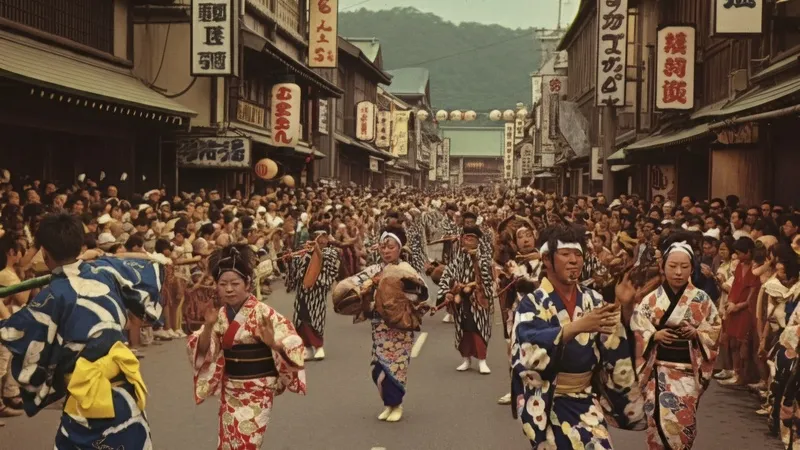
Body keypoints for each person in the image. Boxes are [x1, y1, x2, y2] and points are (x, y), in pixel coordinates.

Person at [0, 213, 163, 449]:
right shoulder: (106, 270)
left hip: (86, 401)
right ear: (81, 246)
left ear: (44, 254)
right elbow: (152, 265)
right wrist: (97, 256)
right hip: (126, 395)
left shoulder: (50, 298)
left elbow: (14, 334)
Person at [510, 224, 645, 448]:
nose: (574, 260)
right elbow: (528, 351)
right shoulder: (532, 303)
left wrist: (625, 308)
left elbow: (614, 343)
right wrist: (576, 327)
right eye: (565, 254)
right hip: (548, 399)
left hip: (585, 399)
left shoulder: (593, 299)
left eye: (578, 254)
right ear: (546, 259)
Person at [187, 244, 306, 450]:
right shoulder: (219, 316)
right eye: (223, 284)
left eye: (235, 283)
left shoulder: (264, 313)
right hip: (231, 388)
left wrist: (274, 344)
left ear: (248, 283)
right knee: (227, 444)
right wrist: (207, 327)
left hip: (258, 389)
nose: (229, 289)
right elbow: (201, 351)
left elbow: (293, 344)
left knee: (247, 444)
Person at [630, 235, 721, 449]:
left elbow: (714, 329)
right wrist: (653, 336)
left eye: (683, 267)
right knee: (656, 424)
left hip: (687, 372)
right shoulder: (651, 299)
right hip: (657, 370)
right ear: (663, 267)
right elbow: (636, 327)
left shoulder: (701, 299)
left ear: (692, 269)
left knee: (683, 425)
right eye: (672, 266)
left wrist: (697, 334)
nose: (678, 272)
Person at [339, 227, 429, 422]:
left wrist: (393, 290)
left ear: (399, 248)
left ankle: (396, 405)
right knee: (378, 368)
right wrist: (362, 293)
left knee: (395, 367)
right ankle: (388, 404)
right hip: (379, 326)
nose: (386, 251)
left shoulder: (406, 269)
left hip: (399, 327)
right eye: (383, 247)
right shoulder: (373, 270)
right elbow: (352, 287)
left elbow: (419, 294)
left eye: (391, 247)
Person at [437, 225, 496, 374]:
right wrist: (447, 291)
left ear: (478, 241)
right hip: (462, 300)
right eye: (465, 237)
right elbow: (447, 275)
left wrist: (477, 285)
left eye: (472, 238)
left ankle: (482, 360)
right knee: (464, 329)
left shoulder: (484, 259)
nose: (468, 240)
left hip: (477, 299)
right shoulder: (457, 259)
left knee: (478, 329)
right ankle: (466, 359)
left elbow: (488, 280)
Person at [287, 222, 340, 361]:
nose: (321, 239)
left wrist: (316, 252)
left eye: (323, 236)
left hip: (317, 291)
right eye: (317, 236)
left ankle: (319, 346)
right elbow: (297, 269)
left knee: (315, 318)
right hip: (302, 291)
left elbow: (328, 267)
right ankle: (307, 348)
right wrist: (292, 259)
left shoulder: (331, 252)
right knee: (301, 318)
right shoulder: (303, 250)